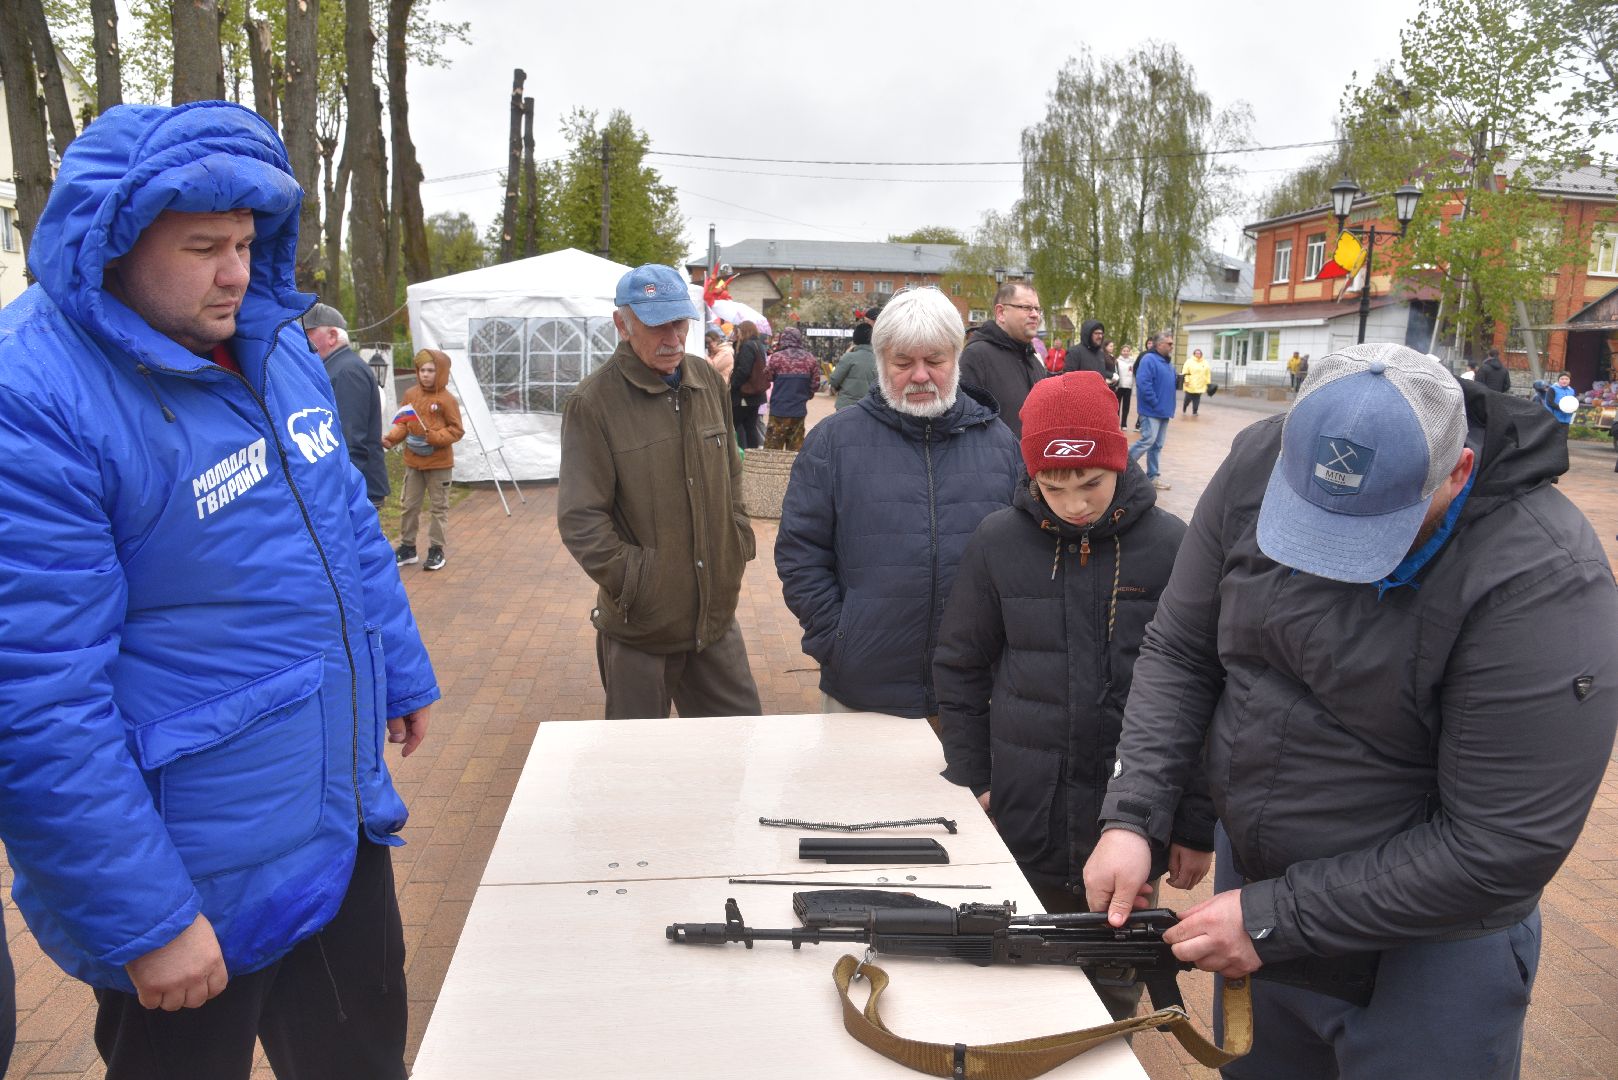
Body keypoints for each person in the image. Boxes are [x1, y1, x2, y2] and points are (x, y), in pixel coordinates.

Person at [0, 100, 439, 1080]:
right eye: (203, 247)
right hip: (189, 870)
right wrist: (147, 920)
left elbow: (347, 525)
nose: (236, 272)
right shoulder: (31, 396)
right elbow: (31, 694)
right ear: (115, 244)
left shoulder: (274, 348)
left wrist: (400, 667)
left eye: (245, 242)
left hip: (335, 820)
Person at [1084, 343, 1618, 1080]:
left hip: (1426, 950)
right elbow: (1182, 648)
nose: (1325, 561)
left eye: (1367, 527)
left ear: (1457, 470)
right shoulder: (1260, 460)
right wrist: (1135, 813)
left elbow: (1500, 845)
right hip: (1259, 896)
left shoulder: (1542, 578)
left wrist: (1274, 918)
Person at [934, 371, 1211, 1018]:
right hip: (1023, 805)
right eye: (1053, 487)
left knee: (1114, 971)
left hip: (1132, 819)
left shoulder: (1174, 546)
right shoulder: (998, 542)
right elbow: (960, 665)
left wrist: (1196, 822)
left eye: (1090, 483)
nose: (1075, 504)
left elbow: (1207, 690)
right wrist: (975, 777)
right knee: (1019, 971)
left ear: (1119, 461)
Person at [776, 287, 1021, 718]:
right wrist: (839, 639)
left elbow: (1021, 558)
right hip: (862, 688)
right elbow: (800, 553)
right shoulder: (833, 442)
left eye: (935, 361)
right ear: (881, 361)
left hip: (971, 693)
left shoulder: (1000, 445)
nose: (920, 376)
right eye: (903, 363)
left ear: (957, 358)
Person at [559, 264, 762, 721]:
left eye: (679, 322)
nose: (673, 338)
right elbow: (580, 519)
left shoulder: (706, 380)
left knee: (739, 742)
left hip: (714, 619)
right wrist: (637, 582)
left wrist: (736, 535)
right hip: (641, 630)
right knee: (639, 760)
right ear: (622, 324)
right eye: (657, 325)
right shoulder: (593, 403)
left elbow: (731, 470)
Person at [383, 350, 464, 572]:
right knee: (409, 506)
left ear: (441, 372)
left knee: (439, 508)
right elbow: (403, 423)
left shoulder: (447, 400)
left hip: (439, 464)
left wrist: (435, 437)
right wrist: (391, 438)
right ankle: (408, 547)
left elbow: (457, 430)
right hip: (413, 463)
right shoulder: (410, 394)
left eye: (431, 370)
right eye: (422, 370)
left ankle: (436, 549)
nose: (425, 375)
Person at [304, 302, 389, 512]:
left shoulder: (346, 371)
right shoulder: (339, 367)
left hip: (357, 492)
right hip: (354, 489)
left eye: (308, 334)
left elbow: (351, 439)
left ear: (332, 336)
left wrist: (338, 494)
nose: (302, 340)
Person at [958, 281, 1047, 438]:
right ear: (1001, 313)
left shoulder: (1033, 359)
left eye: (1037, 309)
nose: (1035, 315)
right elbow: (965, 424)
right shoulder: (976, 356)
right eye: (1026, 307)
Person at [1127, 329, 1176, 490]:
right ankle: (1122, 467)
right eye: (1169, 343)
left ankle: (1153, 476)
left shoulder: (1167, 362)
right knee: (1147, 440)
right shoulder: (1149, 359)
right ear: (1159, 344)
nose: (1172, 346)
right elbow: (1143, 383)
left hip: (1164, 411)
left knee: (1157, 445)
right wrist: (1155, 402)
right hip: (1151, 411)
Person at [761, 326, 822, 450]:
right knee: (795, 451)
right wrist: (806, 395)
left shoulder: (777, 357)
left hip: (778, 410)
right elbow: (815, 385)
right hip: (798, 410)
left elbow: (767, 376)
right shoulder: (810, 358)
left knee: (772, 451)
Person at [730, 320, 767, 449]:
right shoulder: (758, 345)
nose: (737, 334)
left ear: (743, 331)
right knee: (750, 427)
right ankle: (752, 455)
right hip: (755, 395)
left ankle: (731, 453)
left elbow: (744, 370)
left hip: (744, 395)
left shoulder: (747, 346)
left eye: (738, 331)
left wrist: (732, 385)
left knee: (732, 425)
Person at [829, 322, 878, 410]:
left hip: (846, 406)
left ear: (855, 338)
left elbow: (834, 380)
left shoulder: (849, 357)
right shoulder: (878, 360)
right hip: (869, 408)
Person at [1180, 346, 1211, 417]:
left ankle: (1195, 411)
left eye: (1199, 353)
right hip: (1190, 384)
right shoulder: (1189, 362)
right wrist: (1186, 381)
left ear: (1201, 354)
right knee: (1188, 399)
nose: (1198, 354)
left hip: (1200, 385)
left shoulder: (1205, 362)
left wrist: (1208, 383)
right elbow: (1185, 372)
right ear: (1194, 354)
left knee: (1197, 399)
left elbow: (1208, 374)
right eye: (1196, 353)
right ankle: (1184, 407)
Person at [1115, 344, 1136, 428]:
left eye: (1127, 351)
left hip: (1128, 386)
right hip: (1119, 386)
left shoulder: (1132, 362)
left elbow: (1134, 373)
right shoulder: (1117, 361)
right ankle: (1116, 423)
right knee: (1117, 405)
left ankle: (1124, 423)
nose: (1126, 352)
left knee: (1126, 406)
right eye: (1124, 351)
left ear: (1129, 352)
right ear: (1121, 351)